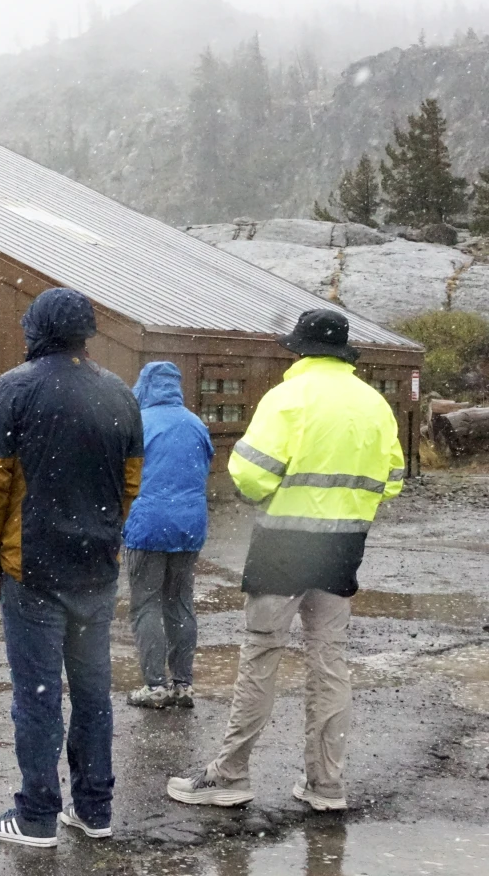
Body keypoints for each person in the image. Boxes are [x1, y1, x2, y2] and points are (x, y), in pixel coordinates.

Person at [168, 309, 405, 814]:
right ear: (345, 353)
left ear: (298, 350)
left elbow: (250, 475)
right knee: (329, 664)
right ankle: (326, 784)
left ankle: (230, 774)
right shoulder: (374, 405)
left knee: (261, 657)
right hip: (343, 549)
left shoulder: (287, 398)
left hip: (283, 547)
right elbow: (393, 479)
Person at [0, 287, 143, 848]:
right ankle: (95, 810)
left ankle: (38, 815)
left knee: (39, 696)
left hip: (34, 571)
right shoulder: (120, 394)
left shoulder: (13, 389)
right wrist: (103, 535)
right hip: (96, 569)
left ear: (36, 330)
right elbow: (131, 482)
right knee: (93, 693)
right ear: (85, 333)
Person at [122, 361, 215, 709]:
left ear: (145, 385)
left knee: (146, 603)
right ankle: (182, 684)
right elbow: (203, 467)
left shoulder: (138, 423)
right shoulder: (195, 424)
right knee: (179, 602)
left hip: (147, 524)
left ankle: (155, 686)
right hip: (189, 525)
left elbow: (124, 473)